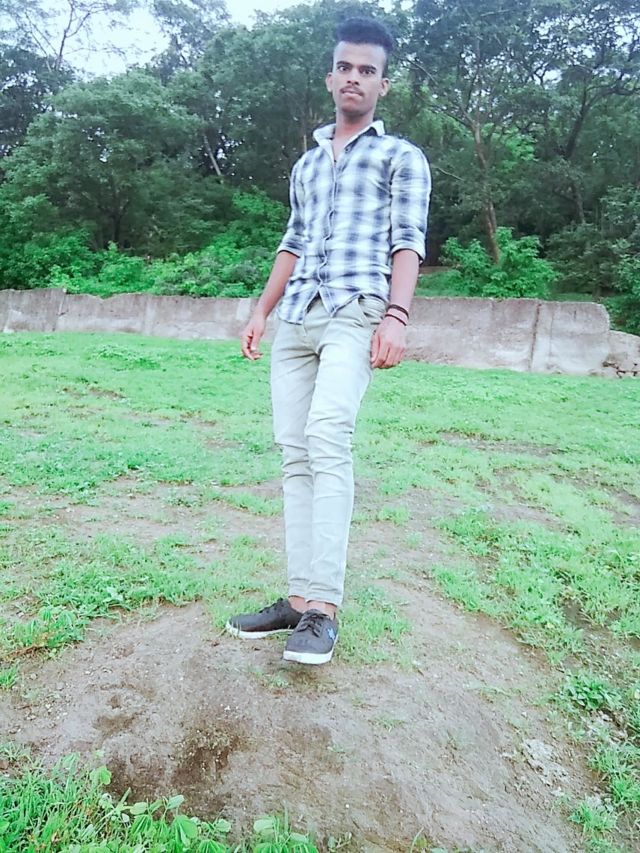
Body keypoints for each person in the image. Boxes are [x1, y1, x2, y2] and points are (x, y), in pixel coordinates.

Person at [226, 16, 431, 665]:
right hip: (296, 317)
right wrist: (261, 311)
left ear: (382, 84)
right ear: (330, 76)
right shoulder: (308, 164)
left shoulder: (401, 157)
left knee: (327, 437)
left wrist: (397, 315)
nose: (354, 78)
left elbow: (408, 242)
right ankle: (297, 597)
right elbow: (292, 242)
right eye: (346, 66)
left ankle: (324, 609)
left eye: (367, 70)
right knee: (294, 453)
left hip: (356, 310)